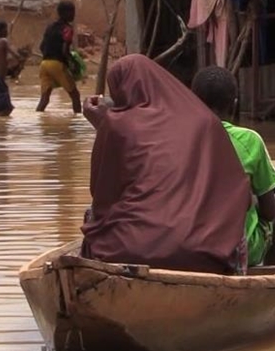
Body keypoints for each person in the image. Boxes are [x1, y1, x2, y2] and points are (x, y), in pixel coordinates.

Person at [81, 54, 252, 274]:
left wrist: (105, 127)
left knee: (91, 214)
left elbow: (102, 193)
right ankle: (235, 277)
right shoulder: (205, 121)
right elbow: (235, 192)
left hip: (127, 250)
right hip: (207, 255)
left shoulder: (117, 124)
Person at [191, 66, 275, 267]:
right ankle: (274, 276)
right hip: (239, 251)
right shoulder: (250, 141)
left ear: (193, 103)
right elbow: (269, 212)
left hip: (189, 245)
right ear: (234, 104)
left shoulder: (179, 138)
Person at [36, 0, 82, 114]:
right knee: (75, 95)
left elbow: (41, 47)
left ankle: (38, 119)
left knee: (44, 99)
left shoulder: (50, 27)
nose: (73, 15)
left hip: (44, 64)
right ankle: (77, 121)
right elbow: (64, 50)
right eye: (72, 12)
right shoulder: (67, 29)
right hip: (57, 64)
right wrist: (72, 64)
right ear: (65, 13)